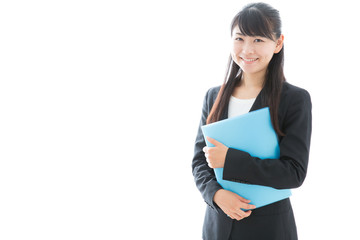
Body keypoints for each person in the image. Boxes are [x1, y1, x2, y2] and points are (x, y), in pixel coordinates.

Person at [192, 2, 312, 240]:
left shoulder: (294, 99)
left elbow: (294, 173)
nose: (247, 50)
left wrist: (230, 160)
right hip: (217, 226)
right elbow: (199, 161)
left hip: (268, 229)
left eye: (258, 40)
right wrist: (215, 195)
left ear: (278, 43)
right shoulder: (214, 96)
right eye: (240, 38)